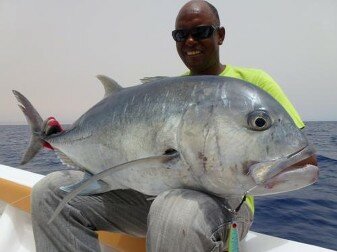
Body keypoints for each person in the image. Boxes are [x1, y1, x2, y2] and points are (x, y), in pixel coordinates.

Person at [31, 1, 317, 252]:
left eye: (201, 32)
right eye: (181, 35)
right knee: (49, 192)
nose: (190, 40)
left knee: (175, 210)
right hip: (149, 198)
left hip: (228, 207)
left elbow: (304, 157)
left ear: (220, 35)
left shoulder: (253, 84)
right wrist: (60, 139)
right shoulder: (166, 93)